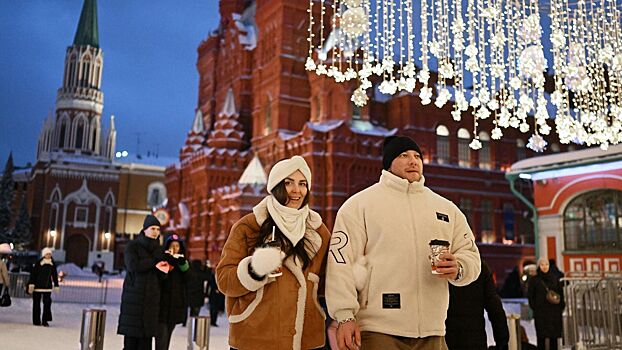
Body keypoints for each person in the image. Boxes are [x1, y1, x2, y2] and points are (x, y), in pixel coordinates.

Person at [325, 135, 481, 350]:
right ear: (388, 163)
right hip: (377, 329)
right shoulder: (359, 206)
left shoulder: (445, 208)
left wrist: (460, 267)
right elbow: (341, 264)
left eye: (417, 156)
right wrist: (344, 316)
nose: (413, 161)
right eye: (403, 155)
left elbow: (470, 253)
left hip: (433, 329)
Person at [216, 155, 331, 350]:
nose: (297, 190)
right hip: (255, 336)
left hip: (306, 339)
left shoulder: (318, 231)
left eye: (303, 184)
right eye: (289, 183)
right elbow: (224, 280)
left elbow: (329, 282)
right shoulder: (249, 226)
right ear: (276, 186)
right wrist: (254, 270)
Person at [117, 215, 170, 350]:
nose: (155, 232)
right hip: (133, 300)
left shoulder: (159, 250)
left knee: (146, 343)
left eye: (158, 229)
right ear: (145, 229)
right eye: (152, 228)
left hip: (151, 302)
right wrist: (154, 263)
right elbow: (133, 265)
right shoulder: (133, 246)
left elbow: (161, 278)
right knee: (131, 343)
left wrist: (164, 269)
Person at [445, 258, 509, 350]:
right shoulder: (479, 267)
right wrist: (502, 342)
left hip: (445, 338)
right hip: (474, 339)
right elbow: (495, 309)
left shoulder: (439, 267)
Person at [156, 234, 190, 350]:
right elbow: (160, 279)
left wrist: (182, 264)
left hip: (174, 308)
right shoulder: (163, 260)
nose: (175, 248)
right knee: (161, 340)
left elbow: (188, 280)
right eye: (172, 245)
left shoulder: (182, 263)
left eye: (177, 246)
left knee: (167, 338)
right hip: (161, 308)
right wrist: (168, 262)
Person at [528, 258, 565, 350]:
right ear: (539, 266)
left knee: (553, 338)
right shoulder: (534, 280)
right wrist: (535, 307)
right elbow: (530, 295)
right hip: (541, 313)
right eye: (542, 265)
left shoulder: (555, 277)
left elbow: (561, 293)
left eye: (546, 264)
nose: (544, 267)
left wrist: (561, 306)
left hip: (554, 312)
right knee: (541, 338)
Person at [27, 247, 59, 326]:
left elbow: (54, 275)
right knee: (36, 304)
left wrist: (56, 285)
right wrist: (31, 284)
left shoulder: (52, 264)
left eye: (49, 254)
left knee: (47, 304)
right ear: (44, 255)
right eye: (47, 254)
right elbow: (33, 274)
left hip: (47, 287)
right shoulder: (38, 263)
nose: (48, 255)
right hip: (37, 287)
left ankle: (45, 320)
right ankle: (36, 321)